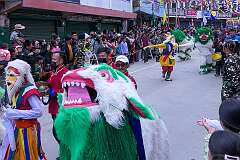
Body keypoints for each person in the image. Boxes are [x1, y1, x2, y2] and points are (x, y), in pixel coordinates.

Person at [0, 59, 46, 159]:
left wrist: (15, 112)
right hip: (17, 129)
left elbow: (39, 111)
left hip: (27, 131)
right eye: (7, 75)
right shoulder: (16, 88)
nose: (8, 78)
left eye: (12, 75)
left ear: (21, 76)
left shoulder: (29, 90)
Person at [47, 52, 68, 145]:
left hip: (60, 106)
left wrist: (54, 92)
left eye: (55, 59)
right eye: (52, 59)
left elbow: (66, 90)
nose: (52, 61)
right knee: (57, 132)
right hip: (53, 104)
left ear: (62, 60)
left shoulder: (65, 73)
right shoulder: (54, 72)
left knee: (59, 132)